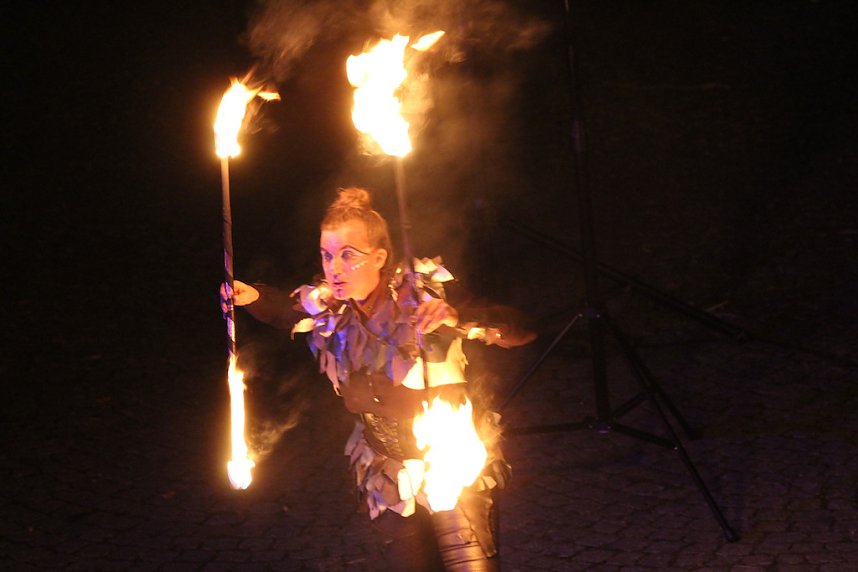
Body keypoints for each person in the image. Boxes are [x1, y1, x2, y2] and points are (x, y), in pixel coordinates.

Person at [225, 187, 533, 571]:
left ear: (379, 257)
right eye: (326, 255)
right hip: (386, 469)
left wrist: (454, 317)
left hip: (448, 458)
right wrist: (250, 295)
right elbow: (285, 310)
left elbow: (519, 329)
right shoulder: (329, 308)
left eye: (347, 255)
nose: (334, 267)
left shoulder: (423, 296)